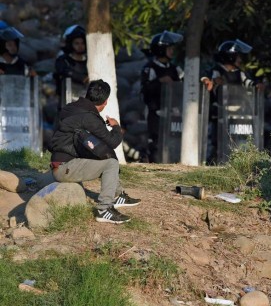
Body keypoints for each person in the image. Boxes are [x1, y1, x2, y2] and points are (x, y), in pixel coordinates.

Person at [49, 80, 140, 224]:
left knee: (102, 154)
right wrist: (116, 127)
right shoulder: (90, 118)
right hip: (65, 167)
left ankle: (119, 195)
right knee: (110, 164)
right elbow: (113, 142)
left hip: (60, 163)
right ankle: (104, 210)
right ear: (105, 102)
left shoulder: (70, 108)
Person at [201, 39, 263, 163]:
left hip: (237, 113)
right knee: (216, 140)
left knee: (235, 140)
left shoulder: (240, 73)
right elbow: (205, 78)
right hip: (219, 113)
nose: (240, 59)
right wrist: (207, 81)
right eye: (237, 56)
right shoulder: (217, 71)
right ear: (230, 57)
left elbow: (248, 83)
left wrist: (257, 86)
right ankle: (213, 162)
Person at [141, 31, 184, 163]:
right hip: (156, 112)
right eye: (169, 48)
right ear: (160, 49)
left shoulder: (176, 68)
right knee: (156, 141)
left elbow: (187, 84)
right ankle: (155, 163)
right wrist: (159, 81)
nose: (172, 51)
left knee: (174, 139)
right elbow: (145, 89)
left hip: (173, 111)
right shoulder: (150, 68)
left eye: (172, 48)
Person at [55, 25, 89, 106]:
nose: (80, 46)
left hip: (86, 102)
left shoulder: (89, 61)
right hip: (67, 102)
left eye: (82, 43)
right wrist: (82, 78)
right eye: (76, 43)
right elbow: (63, 71)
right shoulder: (63, 60)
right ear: (71, 44)